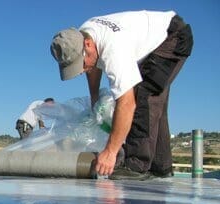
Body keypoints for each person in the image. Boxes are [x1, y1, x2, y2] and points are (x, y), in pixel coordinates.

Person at [50, 10, 193, 180]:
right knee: (155, 105)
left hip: (173, 37)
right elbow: (92, 66)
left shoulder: (114, 50)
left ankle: (136, 165)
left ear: (87, 44)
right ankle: (161, 166)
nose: (80, 71)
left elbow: (127, 103)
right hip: (156, 42)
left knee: (144, 97)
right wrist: (95, 100)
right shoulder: (82, 36)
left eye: (80, 65)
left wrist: (110, 152)